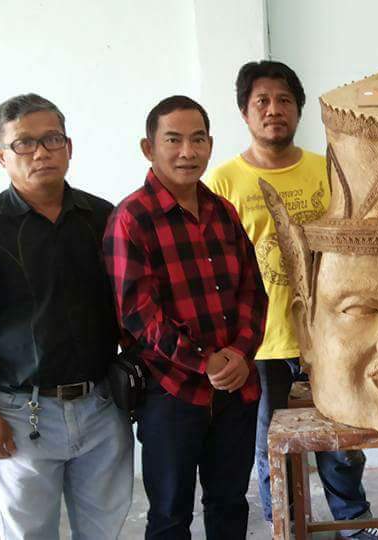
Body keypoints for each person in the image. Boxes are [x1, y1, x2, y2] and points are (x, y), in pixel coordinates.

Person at [204, 60, 378, 540]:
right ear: (245, 112)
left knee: (342, 436)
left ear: (299, 110)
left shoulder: (328, 170)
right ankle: (285, 526)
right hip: (261, 342)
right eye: (262, 101)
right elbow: (214, 271)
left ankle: (353, 523)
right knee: (272, 443)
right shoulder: (223, 183)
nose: (274, 109)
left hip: (331, 333)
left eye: (284, 100)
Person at [0, 93, 133, 539]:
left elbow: (128, 309)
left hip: (102, 407)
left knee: (103, 532)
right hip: (22, 415)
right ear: (1, 156)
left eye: (52, 139)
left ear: (69, 147)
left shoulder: (104, 218)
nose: (41, 152)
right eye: (24, 143)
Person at [104, 95, 268, 539]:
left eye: (198, 140)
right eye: (173, 140)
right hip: (170, 392)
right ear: (148, 148)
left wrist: (239, 352)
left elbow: (253, 291)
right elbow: (139, 315)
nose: (187, 152)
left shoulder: (223, 212)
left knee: (230, 503)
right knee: (170, 515)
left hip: (235, 387)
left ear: (210, 144)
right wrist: (205, 361)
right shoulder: (131, 219)